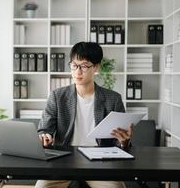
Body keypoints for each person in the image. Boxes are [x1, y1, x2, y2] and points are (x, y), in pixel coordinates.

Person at [36, 42, 133, 188]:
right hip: (64, 161)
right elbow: (44, 129)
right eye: (74, 65)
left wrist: (124, 142)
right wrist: (45, 136)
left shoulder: (113, 99)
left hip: (100, 162)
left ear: (96, 67)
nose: (78, 71)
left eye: (84, 66)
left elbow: (119, 143)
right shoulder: (57, 96)